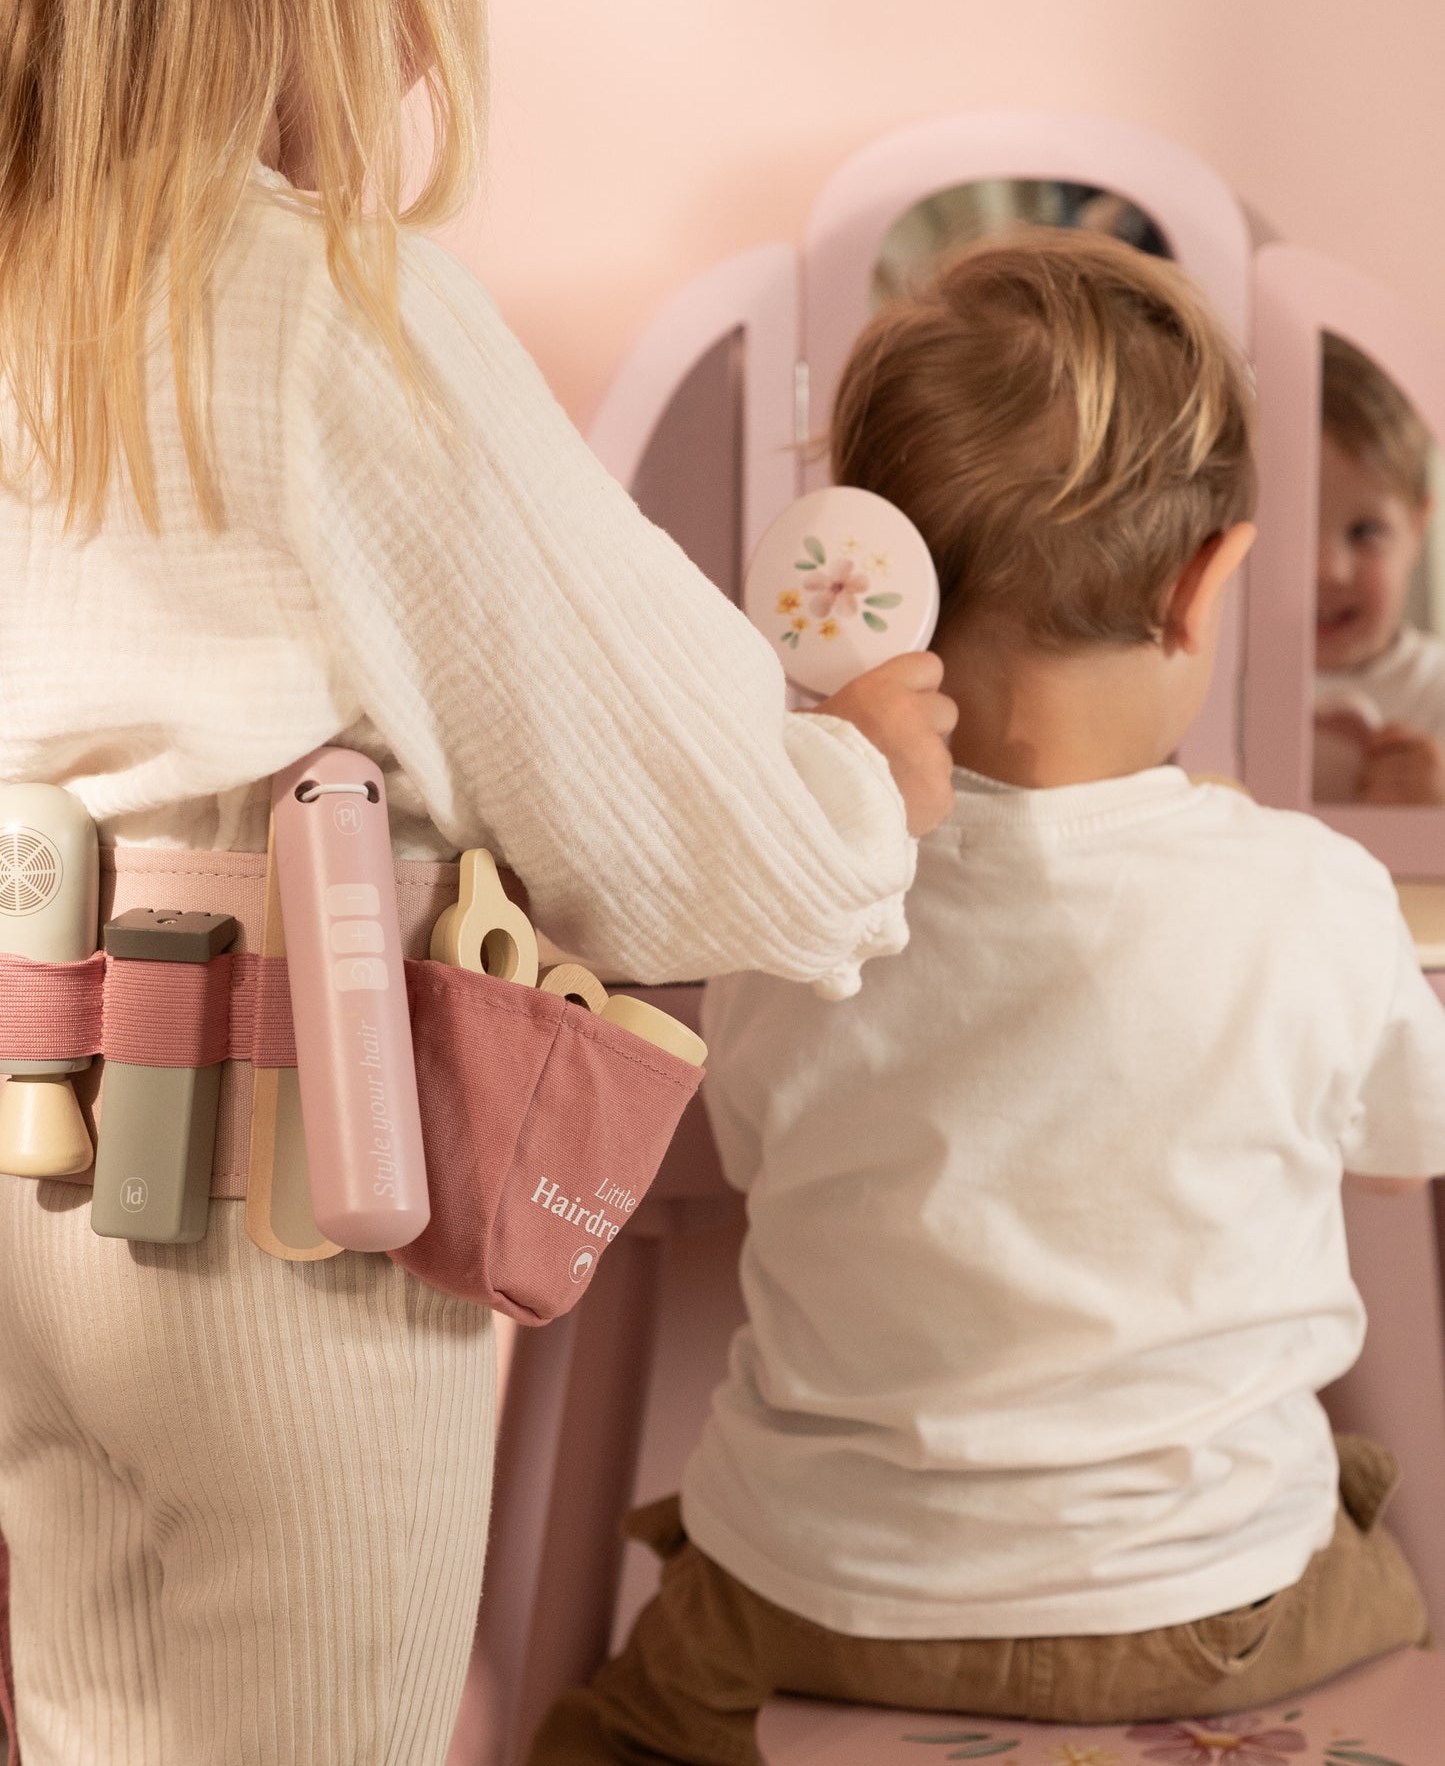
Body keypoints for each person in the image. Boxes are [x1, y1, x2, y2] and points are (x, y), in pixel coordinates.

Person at [0, 0, 958, 1761]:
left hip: (25, 1202)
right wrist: (859, 790)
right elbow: (693, 829)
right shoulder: (331, 320)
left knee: (91, 1714)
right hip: (270, 1228)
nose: (441, 16)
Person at [531, 230, 1445, 1760]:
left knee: (611, 1724)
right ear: (1208, 583)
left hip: (823, 1606)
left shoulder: (809, 893)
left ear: (863, 585)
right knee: (1355, 1518)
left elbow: (746, 1143)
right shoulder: (1314, 898)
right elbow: (1411, 1134)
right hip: (1217, 1617)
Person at [1314, 332, 1445, 804]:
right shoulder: (1216, 697)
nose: (1328, 569)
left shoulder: (1436, 690)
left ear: (1418, 529)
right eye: (1291, 529)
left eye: (1365, 531)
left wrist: (1434, 814)